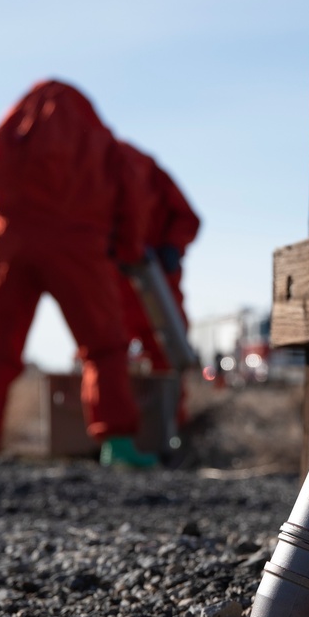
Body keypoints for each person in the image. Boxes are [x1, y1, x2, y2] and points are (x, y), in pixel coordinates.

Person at [0, 80, 158, 468]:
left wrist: (11, 205)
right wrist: (125, 251)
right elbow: (131, 195)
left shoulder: (16, 122)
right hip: (79, 245)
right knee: (104, 347)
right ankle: (118, 445)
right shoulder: (102, 139)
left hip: (12, 241)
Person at [115, 140, 200, 423]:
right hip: (115, 280)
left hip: (155, 279)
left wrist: (172, 247)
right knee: (108, 354)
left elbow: (188, 218)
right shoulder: (91, 167)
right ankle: (114, 431)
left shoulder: (149, 171)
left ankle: (171, 428)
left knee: (170, 355)